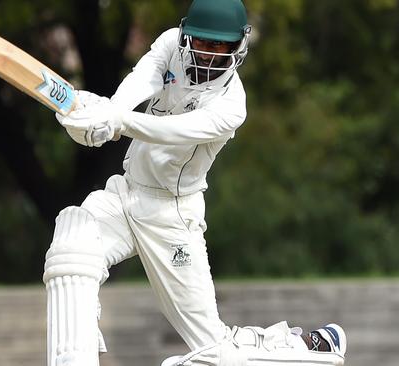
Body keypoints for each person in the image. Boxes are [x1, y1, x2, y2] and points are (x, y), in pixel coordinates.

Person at [44, 0, 347, 365]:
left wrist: (117, 121)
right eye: (203, 43)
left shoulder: (231, 106)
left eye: (221, 46)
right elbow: (144, 78)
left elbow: (169, 132)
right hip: (126, 193)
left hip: (172, 215)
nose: (210, 54)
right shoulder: (171, 43)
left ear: (237, 47)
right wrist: (106, 111)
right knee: (72, 246)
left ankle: (311, 349)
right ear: (187, 34)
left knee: (215, 352)